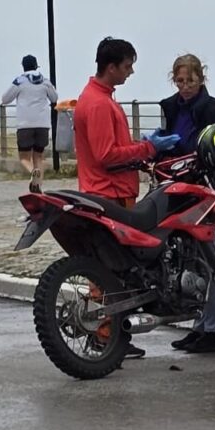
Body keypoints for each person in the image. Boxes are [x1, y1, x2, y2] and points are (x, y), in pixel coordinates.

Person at [74, 37, 180, 360]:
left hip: (107, 190)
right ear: (111, 66)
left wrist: (141, 151)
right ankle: (106, 337)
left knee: (110, 271)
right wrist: (149, 148)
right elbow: (107, 155)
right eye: (128, 65)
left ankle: (112, 335)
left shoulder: (98, 98)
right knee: (112, 272)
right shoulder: (99, 104)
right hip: (110, 194)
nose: (131, 71)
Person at [157, 54, 215, 355]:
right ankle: (201, 326)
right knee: (192, 259)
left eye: (189, 81)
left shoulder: (213, 108)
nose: (184, 86)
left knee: (212, 258)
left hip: (205, 186)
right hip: (179, 185)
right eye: (179, 81)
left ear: (201, 79)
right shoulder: (172, 107)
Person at [1, 54, 57, 193]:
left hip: (25, 124)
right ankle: (38, 186)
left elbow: (5, 99)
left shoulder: (19, 81)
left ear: (23, 67)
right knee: (38, 156)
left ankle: (33, 172)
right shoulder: (45, 81)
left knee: (24, 157)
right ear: (36, 66)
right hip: (43, 124)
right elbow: (54, 97)